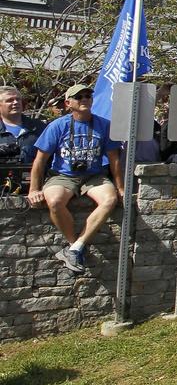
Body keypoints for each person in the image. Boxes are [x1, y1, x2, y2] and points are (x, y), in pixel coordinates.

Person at [26, 83, 123, 274]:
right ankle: (74, 246)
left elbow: (114, 160)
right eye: (79, 97)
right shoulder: (57, 126)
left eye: (88, 96)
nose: (85, 99)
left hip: (93, 176)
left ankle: (76, 247)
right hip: (63, 175)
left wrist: (121, 187)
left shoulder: (104, 125)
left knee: (110, 199)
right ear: (68, 103)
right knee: (54, 201)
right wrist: (33, 189)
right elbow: (40, 160)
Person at [0, 85, 47, 166]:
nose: (15, 102)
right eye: (9, 100)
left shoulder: (39, 127)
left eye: (18, 99)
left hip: (34, 176)